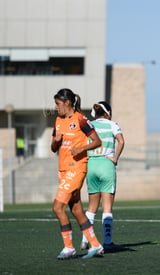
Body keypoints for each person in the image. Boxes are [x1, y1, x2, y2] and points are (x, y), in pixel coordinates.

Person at [51, 88, 104, 259]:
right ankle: (96, 245)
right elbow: (53, 148)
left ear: (67, 103)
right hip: (63, 169)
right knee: (76, 210)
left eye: (58, 104)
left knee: (58, 207)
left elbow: (97, 141)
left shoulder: (81, 119)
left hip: (77, 168)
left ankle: (68, 247)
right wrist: (56, 142)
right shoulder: (58, 121)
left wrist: (81, 148)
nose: (56, 107)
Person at [80, 101, 125, 251]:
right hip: (106, 165)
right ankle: (107, 241)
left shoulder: (89, 125)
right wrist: (115, 158)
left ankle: (85, 240)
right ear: (108, 113)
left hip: (91, 164)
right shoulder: (112, 124)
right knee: (107, 208)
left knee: (92, 206)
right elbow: (121, 141)